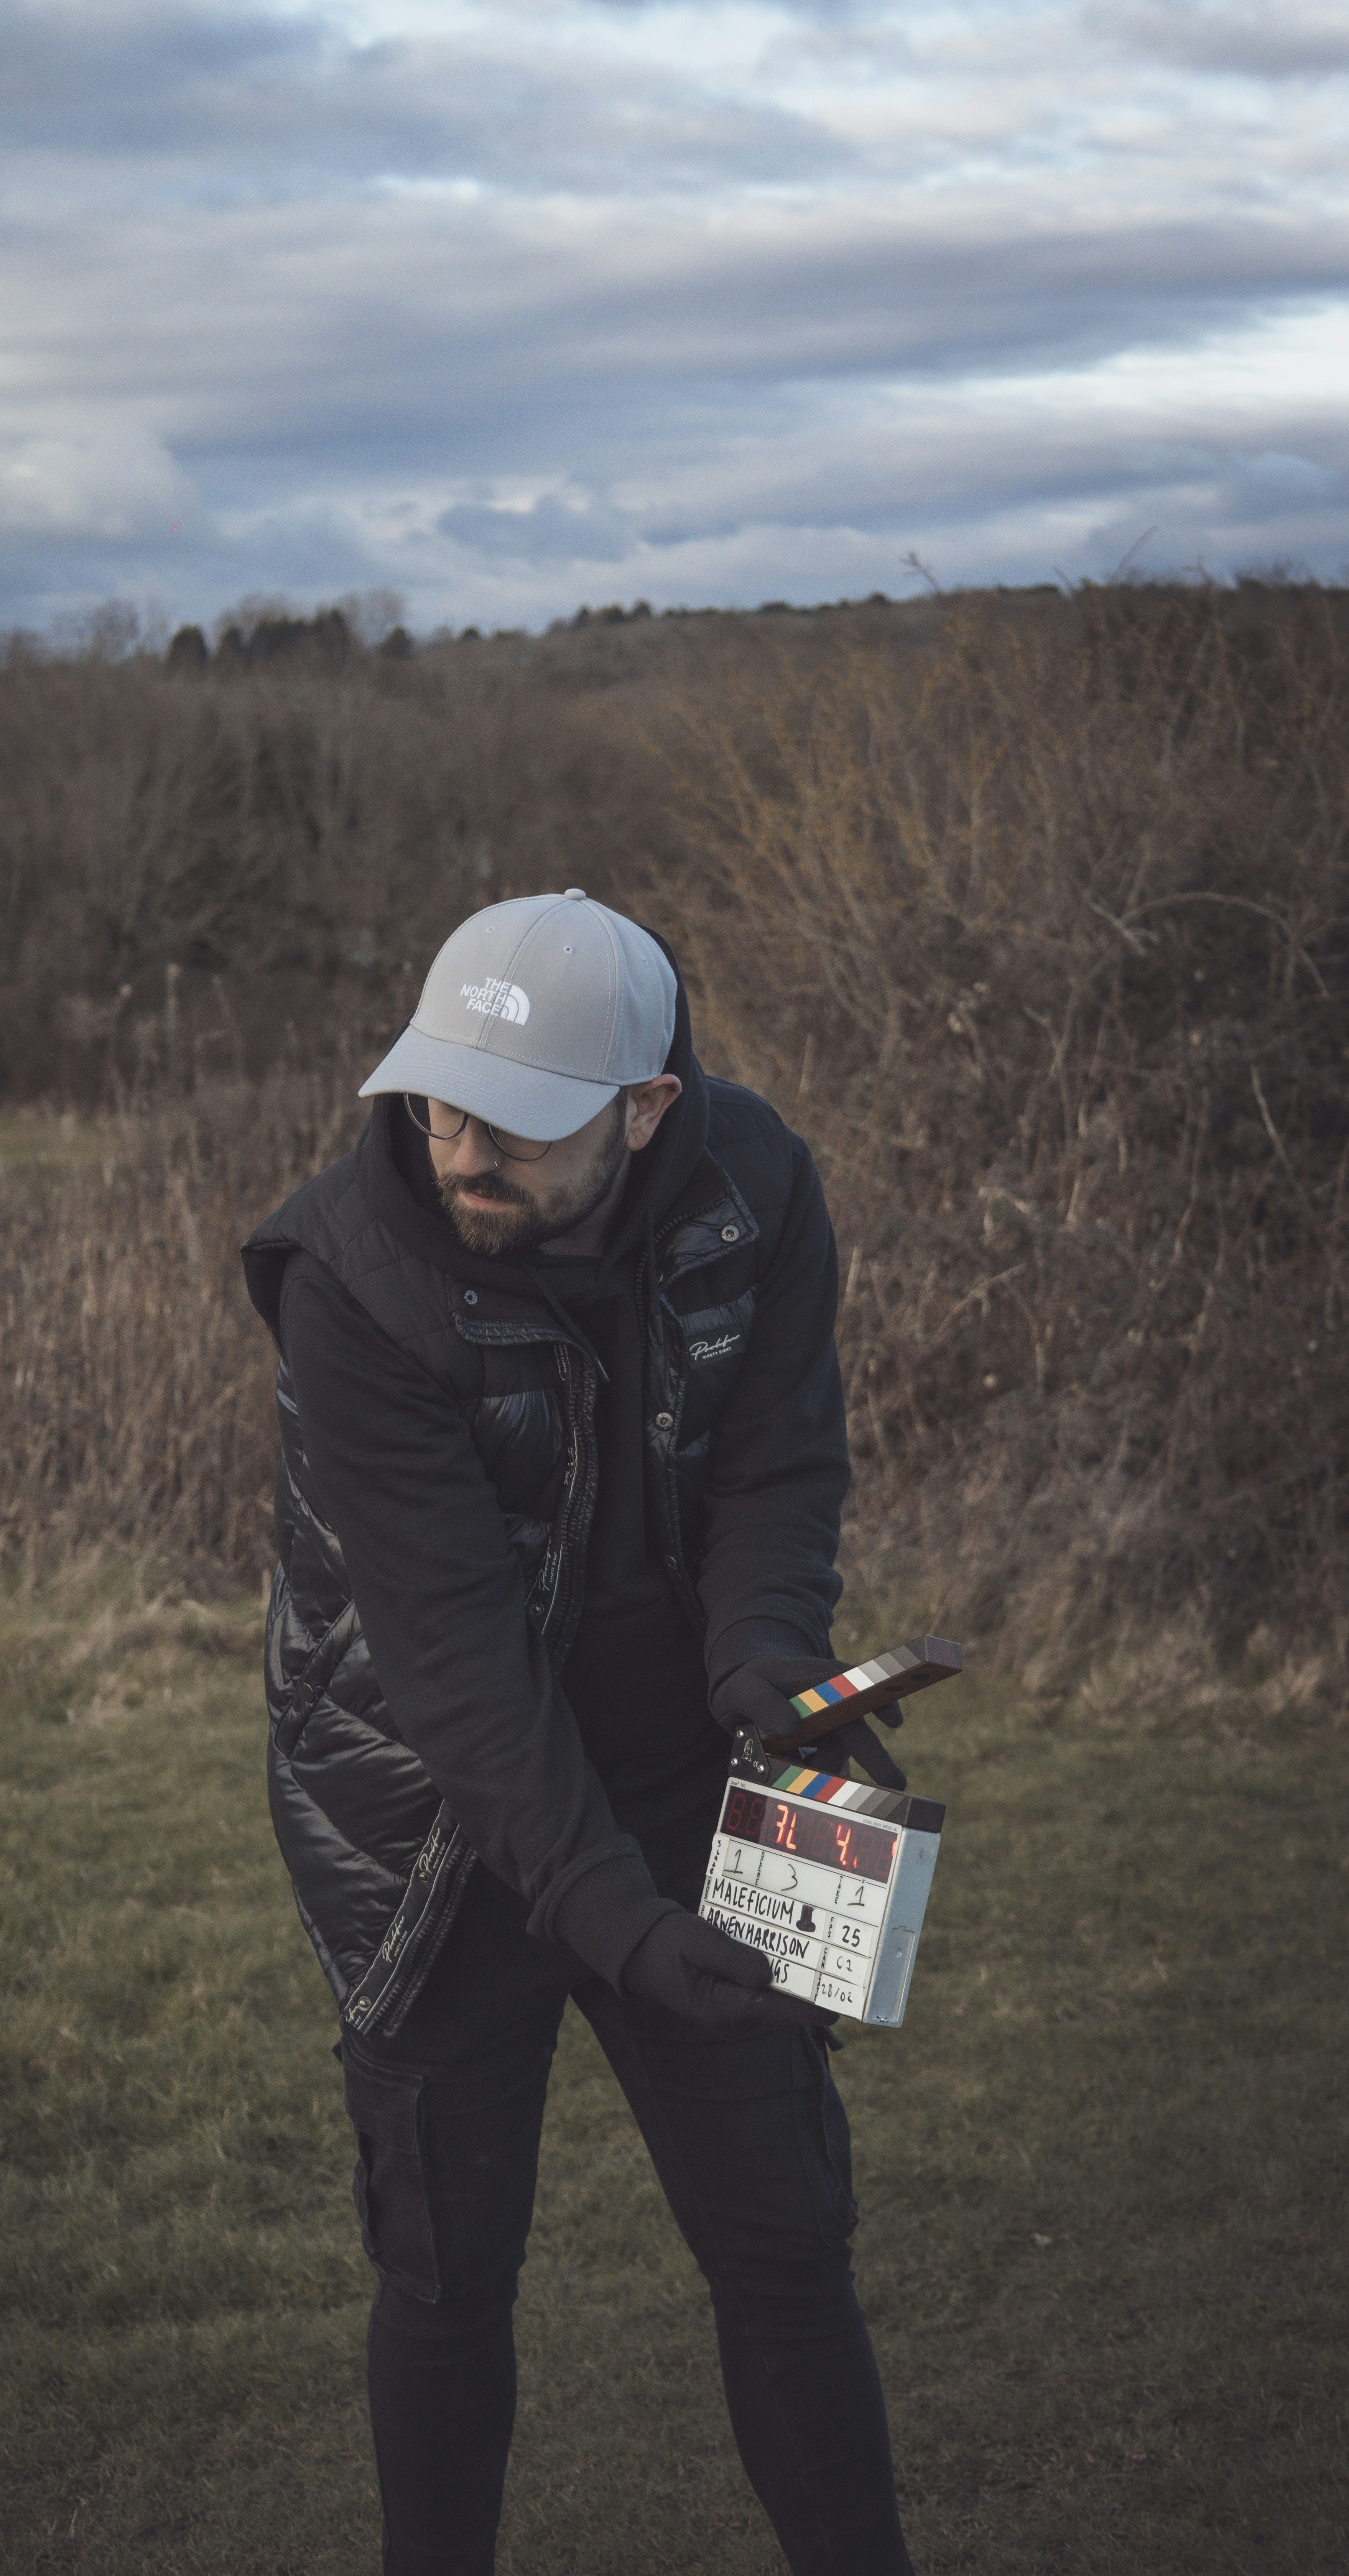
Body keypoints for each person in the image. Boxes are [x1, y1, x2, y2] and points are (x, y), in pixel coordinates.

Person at [242, 890, 913, 2576]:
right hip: (434, 1826)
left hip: (694, 1779)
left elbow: (776, 1469)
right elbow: (456, 1663)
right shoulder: (350, 1276)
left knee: (783, 2246)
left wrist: (770, 1668)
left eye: (520, 1128)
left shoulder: (759, 1189)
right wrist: (611, 1918)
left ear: (646, 1109)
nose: (463, 1152)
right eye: (440, 1101)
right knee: (447, 2276)